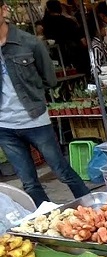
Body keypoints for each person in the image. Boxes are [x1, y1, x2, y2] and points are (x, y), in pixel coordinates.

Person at [0, 0, 90, 205]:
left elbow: (49, 79)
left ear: (4, 10)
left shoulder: (29, 43)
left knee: (62, 170)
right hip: (4, 126)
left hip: (35, 120)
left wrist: (32, 94)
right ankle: (48, 219)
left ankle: (90, 208)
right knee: (29, 182)